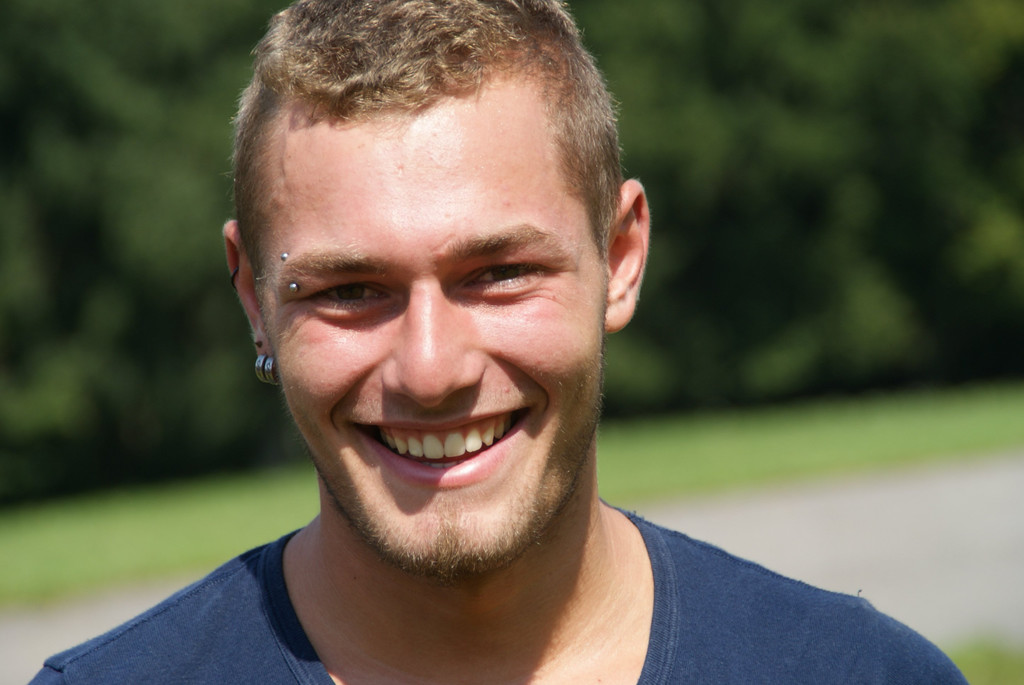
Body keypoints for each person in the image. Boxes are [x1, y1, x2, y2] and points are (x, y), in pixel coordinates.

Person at [32, 1, 967, 682]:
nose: (431, 368)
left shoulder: (855, 672)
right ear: (254, 298)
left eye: (500, 272)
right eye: (349, 289)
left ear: (620, 257)